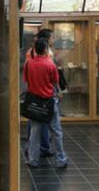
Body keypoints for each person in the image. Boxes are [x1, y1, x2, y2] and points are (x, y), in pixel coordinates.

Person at [23, 38, 67, 168]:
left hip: (34, 103)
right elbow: (55, 82)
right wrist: (59, 92)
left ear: (35, 49)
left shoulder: (28, 64)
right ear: (46, 49)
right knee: (56, 132)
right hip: (49, 102)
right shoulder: (50, 64)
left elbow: (26, 81)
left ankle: (32, 160)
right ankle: (61, 160)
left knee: (34, 133)